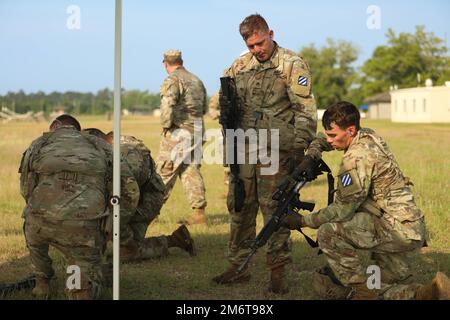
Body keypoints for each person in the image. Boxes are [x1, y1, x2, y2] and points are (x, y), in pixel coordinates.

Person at [284, 101, 450, 300]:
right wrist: (314, 152)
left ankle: (364, 294)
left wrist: (302, 221)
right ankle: (428, 294)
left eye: (333, 136)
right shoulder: (368, 134)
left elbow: (342, 210)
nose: (330, 141)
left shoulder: (355, 160)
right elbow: (326, 137)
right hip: (409, 226)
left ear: (351, 130)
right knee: (379, 282)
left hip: (394, 229)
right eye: (328, 135)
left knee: (328, 233)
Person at [212, 14, 318, 294]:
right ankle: (238, 267)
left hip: (276, 149)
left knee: (274, 210)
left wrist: (299, 148)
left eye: (260, 42)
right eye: (251, 46)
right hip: (243, 148)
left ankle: (278, 272)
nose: (257, 49)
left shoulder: (291, 64)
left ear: (271, 33)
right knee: (239, 208)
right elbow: (220, 103)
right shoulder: (239, 66)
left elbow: (305, 111)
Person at [19, 115, 139, 300]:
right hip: (84, 227)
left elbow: (26, 189)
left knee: (33, 231)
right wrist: (115, 224)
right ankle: (78, 288)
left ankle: (41, 283)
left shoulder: (39, 143)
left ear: (55, 126)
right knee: (81, 287)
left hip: (40, 223)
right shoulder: (100, 145)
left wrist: (42, 210)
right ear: (77, 130)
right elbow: (130, 189)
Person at [83, 129, 196, 261]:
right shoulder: (111, 147)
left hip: (146, 199)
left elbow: (129, 193)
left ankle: (175, 240)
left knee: (126, 251)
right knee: (107, 244)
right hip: (133, 195)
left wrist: (115, 228)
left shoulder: (126, 151)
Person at [156, 49, 208, 225]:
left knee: (164, 171)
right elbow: (205, 108)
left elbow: (167, 106)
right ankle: (199, 213)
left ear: (165, 63)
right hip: (197, 131)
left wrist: (166, 126)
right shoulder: (196, 80)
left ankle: (149, 214)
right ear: (181, 61)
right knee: (190, 169)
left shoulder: (172, 80)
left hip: (178, 132)